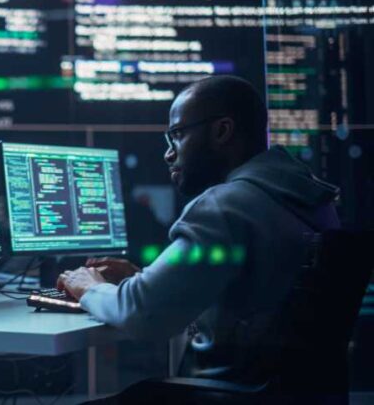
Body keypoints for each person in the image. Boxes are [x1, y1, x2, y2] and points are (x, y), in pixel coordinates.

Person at [57, 75, 340, 385]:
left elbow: (142, 315)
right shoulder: (311, 201)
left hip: (221, 394)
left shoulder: (225, 205)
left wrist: (88, 286)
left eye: (177, 135)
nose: (168, 154)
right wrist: (145, 280)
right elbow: (255, 300)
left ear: (222, 131)